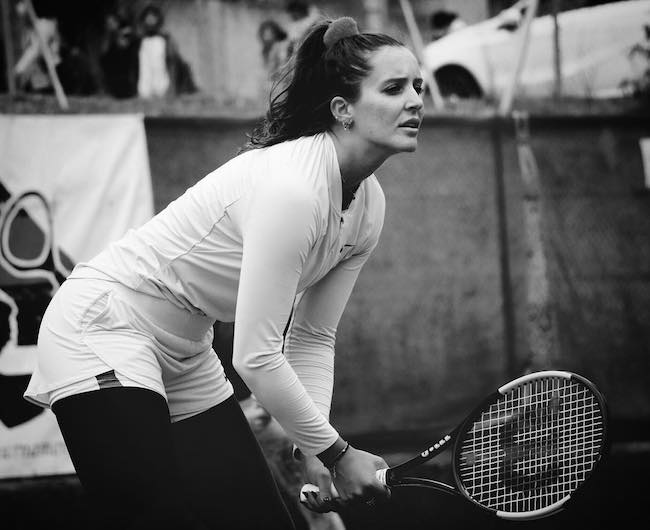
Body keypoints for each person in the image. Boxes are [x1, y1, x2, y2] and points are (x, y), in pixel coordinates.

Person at [24, 15, 424, 530]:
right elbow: (256, 356)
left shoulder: (369, 205)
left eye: (417, 85)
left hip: (188, 348)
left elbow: (313, 335)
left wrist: (314, 447)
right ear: (342, 110)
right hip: (103, 327)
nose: (415, 100)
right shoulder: (293, 190)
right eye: (394, 88)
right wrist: (339, 453)